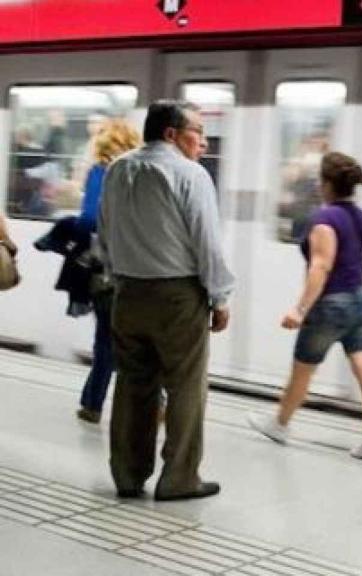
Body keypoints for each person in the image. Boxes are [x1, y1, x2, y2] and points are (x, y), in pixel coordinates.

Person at [98, 100, 235, 501]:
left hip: (127, 292)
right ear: (172, 134)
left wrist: (115, 279)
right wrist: (220, 296)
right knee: (186, 386)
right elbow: (207, 243)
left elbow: (104, 234)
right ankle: (179, 478)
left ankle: (127, 473)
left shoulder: (117, 169)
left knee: (132, 384)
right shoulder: (191, 175)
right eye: (199, 132)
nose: (205, 144)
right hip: (178, 297)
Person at [248, 152, 362, 460]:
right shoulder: (361, 218)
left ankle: (280, 424)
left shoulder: (324, 219)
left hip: (331, 305)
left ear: (325, 183)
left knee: (303, 370)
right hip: (361, 299)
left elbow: (321, 267)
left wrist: (299, 310)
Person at [74, 119, 141, 424]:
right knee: (134, 339)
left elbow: (88, 219)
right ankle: (154, 402)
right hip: (137, 270)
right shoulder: (140, 175)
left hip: (105, 269)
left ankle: (92, 402)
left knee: (106, 339)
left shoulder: (101, 172)